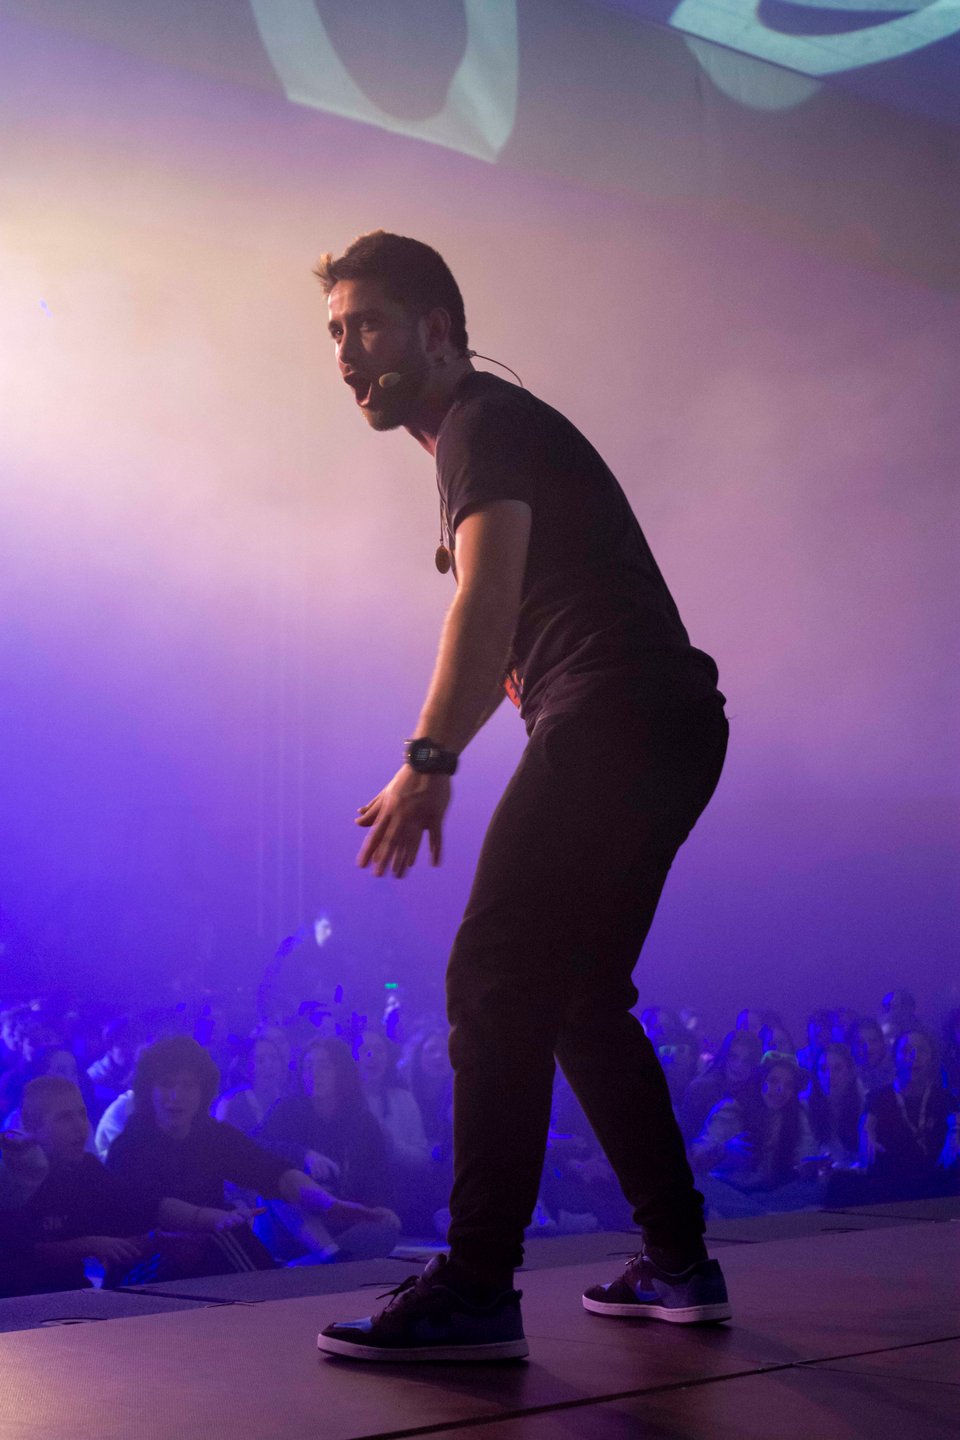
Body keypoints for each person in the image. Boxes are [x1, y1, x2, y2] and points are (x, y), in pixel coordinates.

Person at [313, 231, 731, 1362]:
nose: (348, 354)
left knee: (494, 978)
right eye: (337, 332)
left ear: (438, 330)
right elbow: (510, 640)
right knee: (580, 997)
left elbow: (485, 604)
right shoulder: (489, 433)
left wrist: (428, 759)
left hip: (618, 714)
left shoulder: (481, 425)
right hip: (670, 723)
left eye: (369, 324)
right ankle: (679, 1263)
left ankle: (477, 1290)